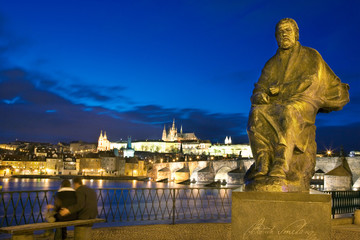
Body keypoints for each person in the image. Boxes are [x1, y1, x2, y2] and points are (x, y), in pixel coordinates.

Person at [245, 18, 349, 191]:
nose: (284, 35)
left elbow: (311, 81)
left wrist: (279, 90)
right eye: (280, 32)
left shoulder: (310, 55)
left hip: (304, 100)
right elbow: (260, 86)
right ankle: (263, 163)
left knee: (289, 111)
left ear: (296, 34)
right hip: (276, 103)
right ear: (276, 37)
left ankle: (281, 164)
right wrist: (260, 95)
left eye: (288, 31)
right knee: (256, 114)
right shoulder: (271, 63)